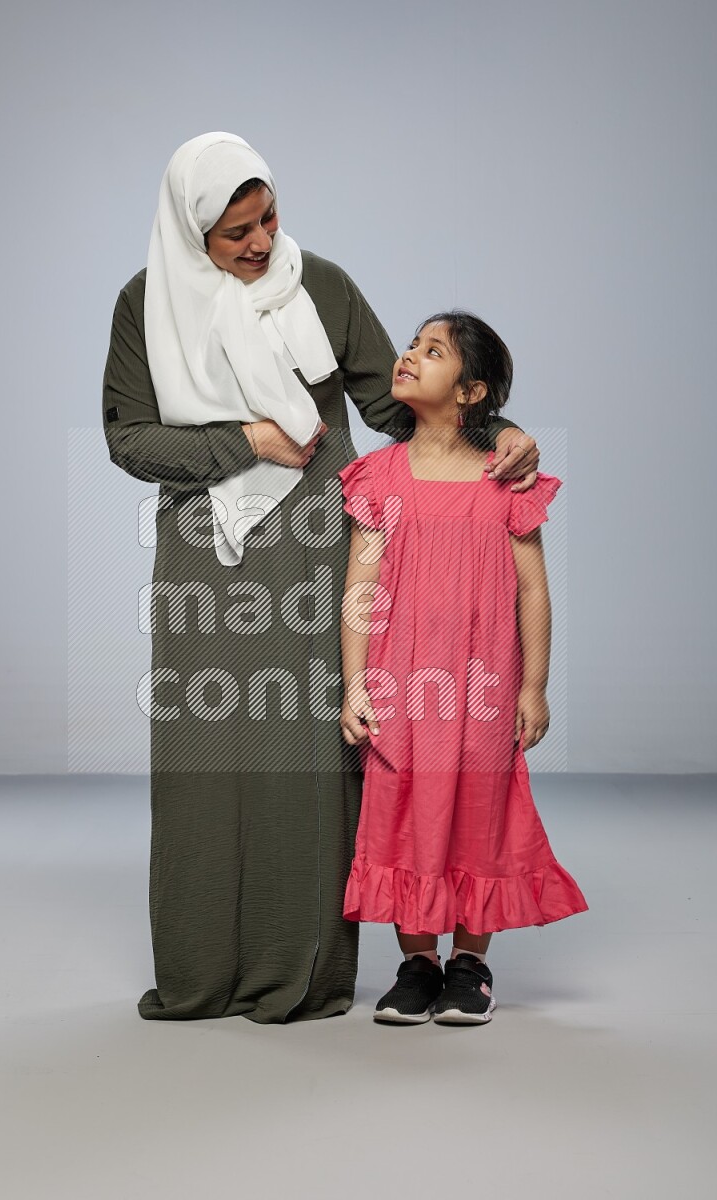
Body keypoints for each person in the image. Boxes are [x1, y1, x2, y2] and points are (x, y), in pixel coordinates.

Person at [102, 132, 541, 1024]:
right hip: (209, 551)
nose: (262, 243)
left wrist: (503, 432)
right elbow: (129, 439)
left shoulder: (324, 286)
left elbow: (400, 402)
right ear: (192, 234)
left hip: (316, 547)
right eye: (235, 233)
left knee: (310, 760)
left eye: (269, 218)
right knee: (205, 754)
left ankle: (304, 971)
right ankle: (201, 970)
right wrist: (246, 442)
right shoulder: (144, 306)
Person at [338, 310, 587, 1025]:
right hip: (398, 684)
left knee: (480, 814)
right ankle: (417, 963)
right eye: (413, 345)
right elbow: (360, 587)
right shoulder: (378, 475)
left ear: (472, 391)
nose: (410, 355)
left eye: (433, 350)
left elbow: (534, 586)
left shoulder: (504, 478)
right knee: (401, 814)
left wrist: (533, 686)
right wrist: (355, 682)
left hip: (483, 687)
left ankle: (470, 964)